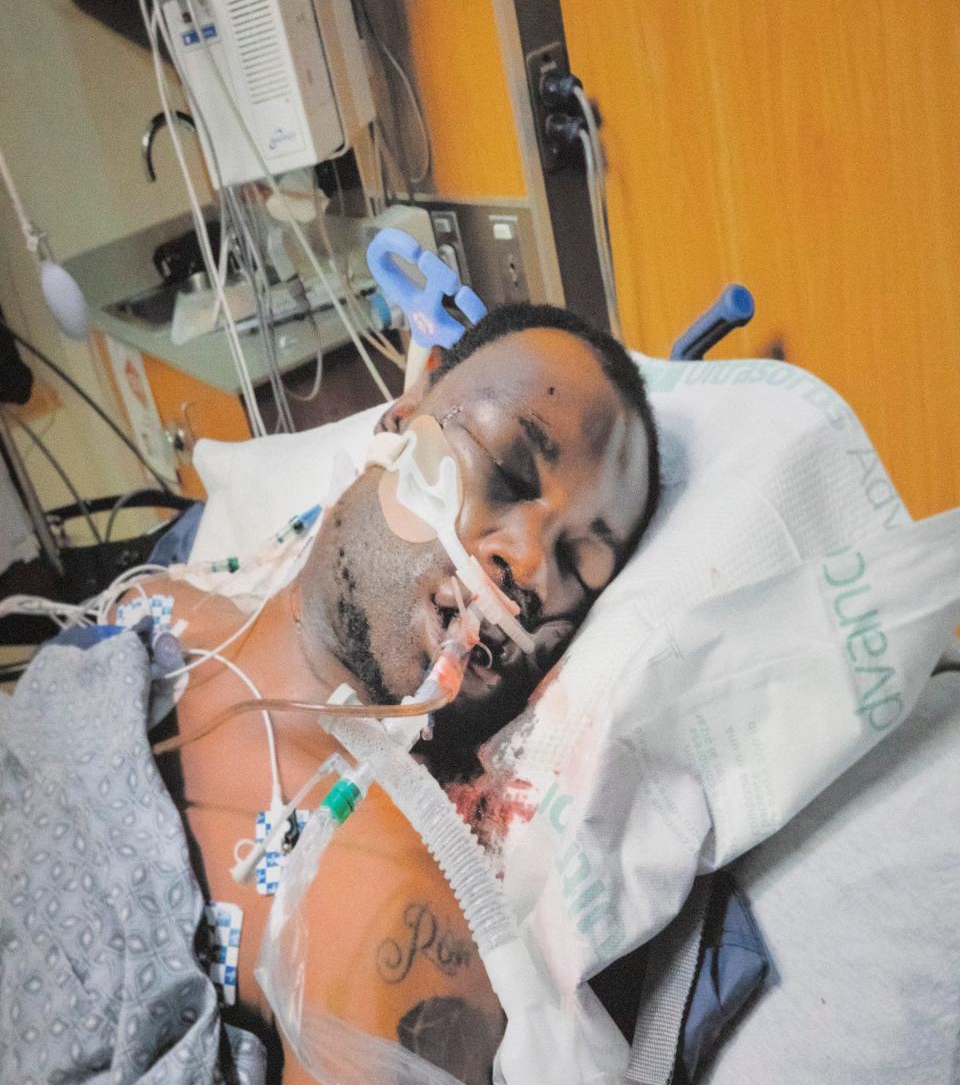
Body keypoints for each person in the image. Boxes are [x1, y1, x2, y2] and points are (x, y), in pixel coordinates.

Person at [10, 303, 656, 1084]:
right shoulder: (153, 610)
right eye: (509, 473)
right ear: (400, 426)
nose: (530, 567)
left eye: (580, 569)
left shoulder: (383, 918)